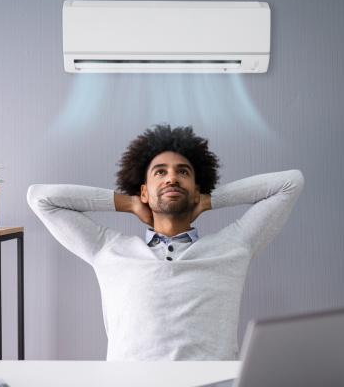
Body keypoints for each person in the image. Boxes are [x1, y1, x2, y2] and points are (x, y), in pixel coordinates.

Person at [27, 124, 304, 361]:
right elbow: (41, 198)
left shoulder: (234, 246)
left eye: (183, 172)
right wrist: (129, 203)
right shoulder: (108, 249)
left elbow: (290, 183)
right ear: (144, 191)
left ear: (196, 189)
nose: (172, 177)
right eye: (160, 172)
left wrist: (208, 200)